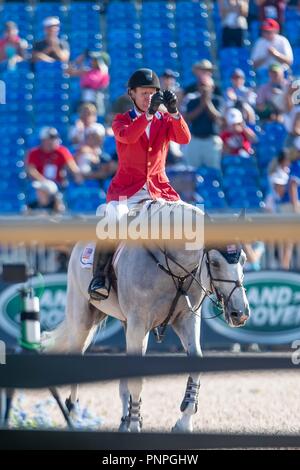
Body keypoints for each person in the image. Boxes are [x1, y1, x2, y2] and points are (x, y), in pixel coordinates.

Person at [88, 68, 191, 301]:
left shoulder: (165, 119)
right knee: (112, 220)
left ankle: (192, 278)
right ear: (131, 94)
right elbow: (128, 137)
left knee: (189, 221)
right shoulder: (121, 120)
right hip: (127, 192)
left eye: (152, 93)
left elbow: (184, 139)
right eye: (143, 93)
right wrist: (148, 115)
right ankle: (100, 277)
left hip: (159, 189)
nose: (148, 98)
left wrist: (174, 113)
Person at [184, 75, 223, 169]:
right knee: (192, 171)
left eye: (205, 85)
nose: (203, 88)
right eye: (201, 85)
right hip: (195, 140)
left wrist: (207, 102)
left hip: (211, 140)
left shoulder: (217, 101)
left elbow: (218, 118)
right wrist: (202, 105)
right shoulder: (192, 101)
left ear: (212, 87)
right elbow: (188, 118)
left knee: (214, 170)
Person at [67, 51, 110, 116]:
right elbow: (69, 72)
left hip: (96, 101)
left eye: (95, 60)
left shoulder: (104, 72)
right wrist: (77, 62)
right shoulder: (87, 71)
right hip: (84, 100)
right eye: (93, 60)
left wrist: (101, 63)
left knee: (97, 115)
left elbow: (96, 82)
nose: (92, 61)